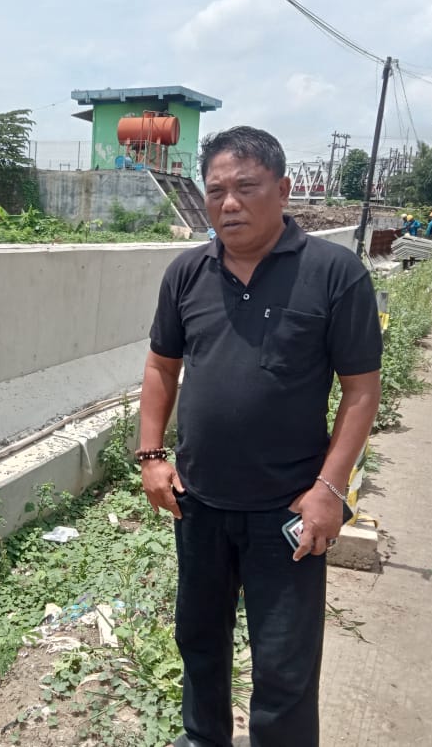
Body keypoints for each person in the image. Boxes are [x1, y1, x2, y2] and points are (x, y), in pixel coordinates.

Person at [138, 126, 383, 747]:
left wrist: (330, 489)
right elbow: (161, 366)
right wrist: (151, 456)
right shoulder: (186, 273)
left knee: (284, 661)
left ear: (283, 189)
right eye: (216, 190)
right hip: (199, 502)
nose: (229, 204)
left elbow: (360, 390)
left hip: (290, 507)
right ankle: (204, 738)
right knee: (199, 639)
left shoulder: (333, 273)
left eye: (246, 187)